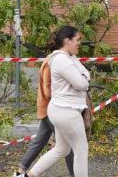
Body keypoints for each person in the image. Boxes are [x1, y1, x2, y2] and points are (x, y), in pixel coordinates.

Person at [19, 25, 90, 177]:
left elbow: (86, 75)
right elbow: (81, 83)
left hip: (62, 110)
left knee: (62, 149)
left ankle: (27, 175)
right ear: (67, 41)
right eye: (77, 40)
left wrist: (84, 77)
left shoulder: (69, 58)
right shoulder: (61, 60)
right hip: (67, 111)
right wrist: (84, 79)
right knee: (81, 150)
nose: (79, 43)